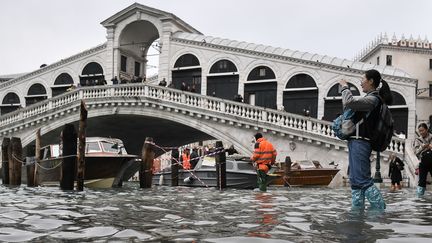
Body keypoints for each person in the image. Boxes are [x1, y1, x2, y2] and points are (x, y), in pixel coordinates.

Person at [339, 69, 393, 210]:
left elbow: (349, 102)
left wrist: (345, 87)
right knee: (355, 181)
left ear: (371, 81)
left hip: (361, 142)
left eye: (362, 79)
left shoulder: (373, 99)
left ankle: (381, 210)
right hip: (356, 141)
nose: (360, 82)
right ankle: (357, 214)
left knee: (362, 180)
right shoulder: (370, 98)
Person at [413, 123, 432, 196]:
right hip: (423, 162)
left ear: (426, 129)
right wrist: (423, 147)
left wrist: (429, 146)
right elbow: (416, 152)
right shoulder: (417, 140)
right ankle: (419, 198)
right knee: (421, 181)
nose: (421, 132)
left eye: (422, 130)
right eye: (419, 131)